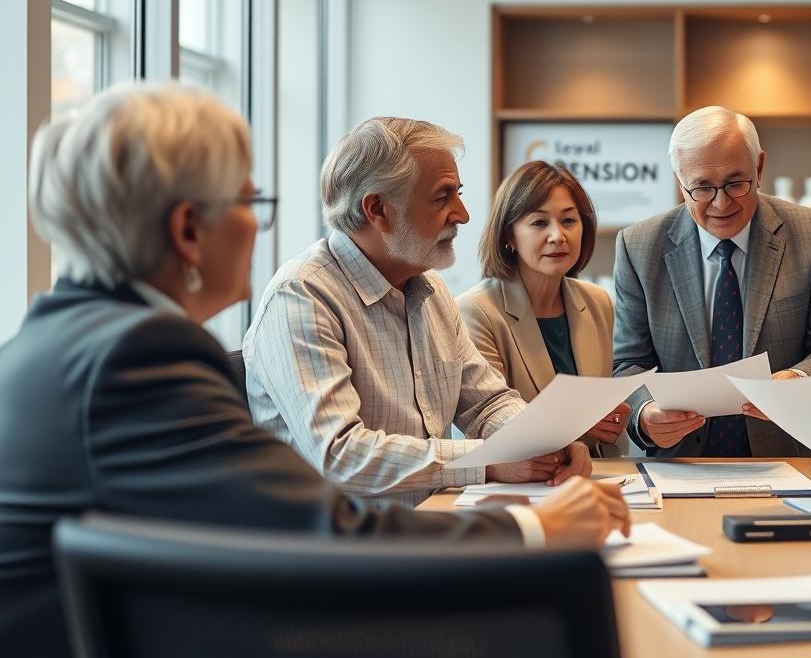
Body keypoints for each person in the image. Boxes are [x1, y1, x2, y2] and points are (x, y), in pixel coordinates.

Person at [0, 83, 630, 658]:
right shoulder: (140, 355)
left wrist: (536, 442)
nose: (260, 224)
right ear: (189, 230)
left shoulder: (70, 339)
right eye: (252, 201)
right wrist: (528, 527)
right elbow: (322, 518)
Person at [244, 117, 594, 507]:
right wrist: (487, 461)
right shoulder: (303, 296)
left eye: (457, 194)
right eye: (442, 197)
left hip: (426, 527)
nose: (462, 214)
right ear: (377, 209)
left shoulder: (431, 290)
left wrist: (544, 441)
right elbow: (339, 454)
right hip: (339, 551)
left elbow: (487, 403)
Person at [613, 105, 811, 457]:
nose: (721, 203)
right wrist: (645, 414)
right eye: (702, 187)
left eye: (735, 183)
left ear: (759, 167)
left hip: (786, 455)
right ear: (679, 181)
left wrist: (798, 382)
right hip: (679, 462)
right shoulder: (639, 247)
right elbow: (628, 363)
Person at [457, 161, 629, 457]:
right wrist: (581, 423)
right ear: (509, 236)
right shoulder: (476, 311)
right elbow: (487, 420)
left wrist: (614, 419)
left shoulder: (598, 301)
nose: (558, 236)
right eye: (539, 223)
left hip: (601, 474)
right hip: (522, 480)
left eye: (568, 221)